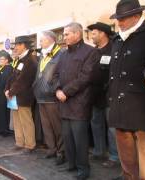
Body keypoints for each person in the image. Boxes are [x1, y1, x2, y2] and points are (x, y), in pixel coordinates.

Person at [108, 0, 145, 179]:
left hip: (141, 105)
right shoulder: (117, 38)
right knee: (126, 156)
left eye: (123, 18)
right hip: (118, 105)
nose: (119, 22)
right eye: (118, 18)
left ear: (136, 16)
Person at [52, 22, 100, 180]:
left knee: (80, 138)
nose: (64, 37)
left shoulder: (90, 52)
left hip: (80, 102)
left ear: (77, 34)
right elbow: (56, 75)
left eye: (66, 34)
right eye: (64, 34)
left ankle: (83, 169)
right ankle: (71, 164)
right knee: (67, 136)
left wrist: (66, 91)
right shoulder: (64, 54)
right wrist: (58, 89)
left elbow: (86, 77)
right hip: (64, 102)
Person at [87, 22, 120, 168]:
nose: (91, 36)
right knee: (96, 124)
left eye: (94, 33)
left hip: (110, 95)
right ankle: (99, 151)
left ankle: (114, 156)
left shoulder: (114, 49)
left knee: (112, 127)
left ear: (103, 34)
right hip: (95, 95)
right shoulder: (93, 52)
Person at [33, 30, 65, 164]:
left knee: (57, 126)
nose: (40, 42)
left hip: (52, 96)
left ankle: (61, 152)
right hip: (41, 95)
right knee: (46, 127)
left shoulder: (61, 53)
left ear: (50, 40)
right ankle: (51, 149)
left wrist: (56, 89)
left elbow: (61, 74)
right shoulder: (42, 55)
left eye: (42, 40)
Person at [5, 35, 38, 153]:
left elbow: (24, 80)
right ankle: (19, 142)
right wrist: (6, 89)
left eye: (18, 45)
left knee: (26, 121)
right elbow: (12, 77)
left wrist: (11, 91)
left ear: (24, 46)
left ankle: (30, 145)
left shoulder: (31, 60)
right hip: (14, 96)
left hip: (24, 96)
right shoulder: (19, 59)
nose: (15, 48)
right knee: (17, 121)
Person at [0, 51, 13, 137]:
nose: (0, 61)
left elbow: (5, 81)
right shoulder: (0, 68)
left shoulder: (8, 68)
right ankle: (1, 128)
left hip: (3, 93)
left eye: (2, 59)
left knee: (4, 112)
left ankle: (5, 130)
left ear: (7, 60)